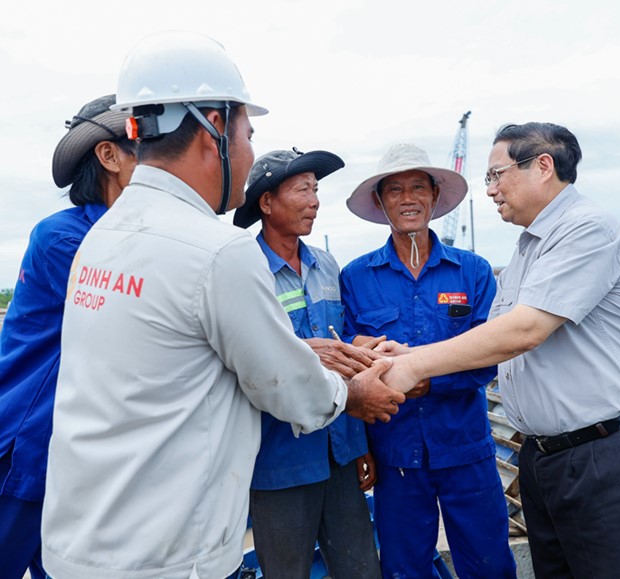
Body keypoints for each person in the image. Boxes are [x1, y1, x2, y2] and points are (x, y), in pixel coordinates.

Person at [41, 31, 404, 579]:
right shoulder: (215, 250)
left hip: (85, 542)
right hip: (166, 555)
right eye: (248, 132)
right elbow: (292, 390)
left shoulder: (106, 233)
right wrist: (355, 390)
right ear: (214, 126)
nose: (251, 151)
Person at [378, 124, 620, 579]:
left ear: (542, 166)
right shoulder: (529, 247)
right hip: (549, 458)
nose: (491, 190)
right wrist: (405, 354)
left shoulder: (587, 229)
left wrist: (412, 365)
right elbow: (495, 335)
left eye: (496, 175)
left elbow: (525, 329)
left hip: (610, 453)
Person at [341, 143, 517, 578]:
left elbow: (491, 353)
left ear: (435, 197)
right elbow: (345, 356)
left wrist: (428, 380)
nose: (408, 199)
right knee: (404, 567)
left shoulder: (472, 271)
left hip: (466, 447)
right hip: (394, 450)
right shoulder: (356, 277)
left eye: (418, 187)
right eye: (395, 190)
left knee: (489, 562)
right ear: (380, 203)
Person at [0, 94, 136, 579]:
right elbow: (146, 325)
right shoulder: (68, 239)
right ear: (110, 156)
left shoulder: (128, 237)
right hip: (30, 442)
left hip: (75, 453)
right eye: (148, 145)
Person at [233, 148, 380, 579]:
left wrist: (360, 444)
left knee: (360, 569)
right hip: (278, 461)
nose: (314, 200)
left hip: (339, 454)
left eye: (316, 190)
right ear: (266, 202)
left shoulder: (326, 265)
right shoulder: (245, 271)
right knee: (285, 572)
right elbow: (242, 363)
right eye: (302, 190)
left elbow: (342, 349)